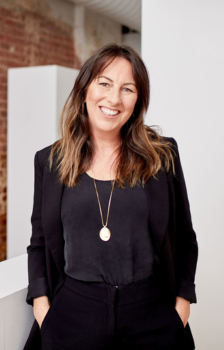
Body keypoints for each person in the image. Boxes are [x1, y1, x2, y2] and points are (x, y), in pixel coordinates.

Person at [23, 43, 198, 350]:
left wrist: (181, 308)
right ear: (84, 88)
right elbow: (39, 243)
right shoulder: (49, 162)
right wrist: (43, 310)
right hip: (73, 315)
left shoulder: (162, 156)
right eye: (104, 83)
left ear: (138, 100)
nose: (114, 98)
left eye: (127, 89)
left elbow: (185, 238)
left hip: (151, 315)